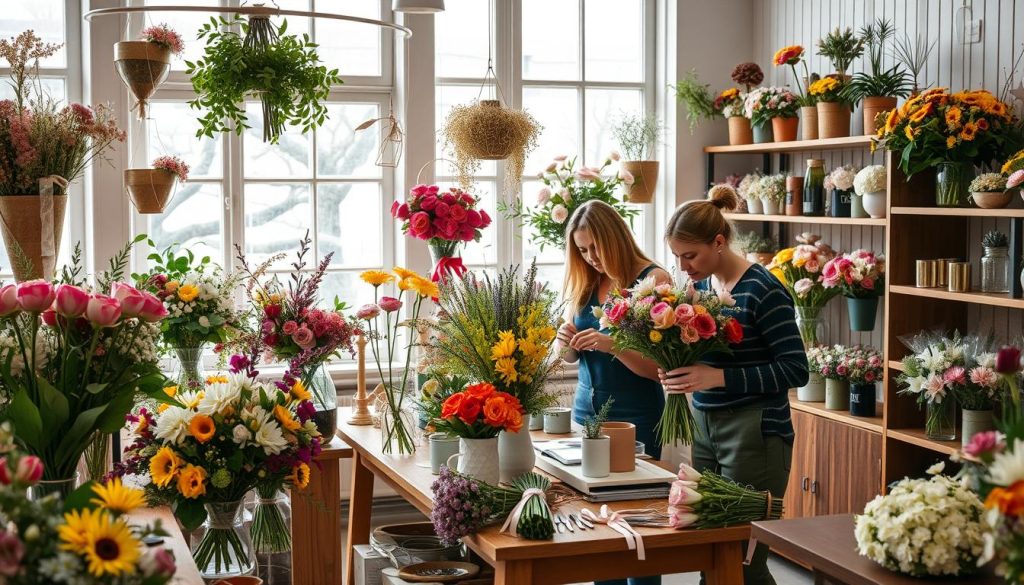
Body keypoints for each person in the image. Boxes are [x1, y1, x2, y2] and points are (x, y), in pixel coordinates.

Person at [658, 186, 807, 585]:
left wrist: (718, 377)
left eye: (691, 255)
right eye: (678, 257)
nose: (683, 266)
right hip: (705, 425)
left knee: (744, 559)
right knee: (713, 552)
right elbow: (714, 359)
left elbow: (796, 370)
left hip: (756, 432)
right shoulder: (704, 290)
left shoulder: (764, 290)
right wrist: (677, 369)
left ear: (719, 242)